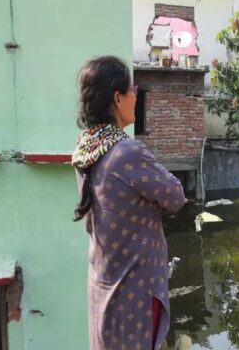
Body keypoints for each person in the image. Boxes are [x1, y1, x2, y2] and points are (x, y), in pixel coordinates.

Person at [71, 56, 185, 350]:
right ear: (118, 98)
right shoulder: (127, 153)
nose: (137, 97)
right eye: (134, 90)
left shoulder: (86, 148)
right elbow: (175, 196)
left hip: (103, 283)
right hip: (133, 289)